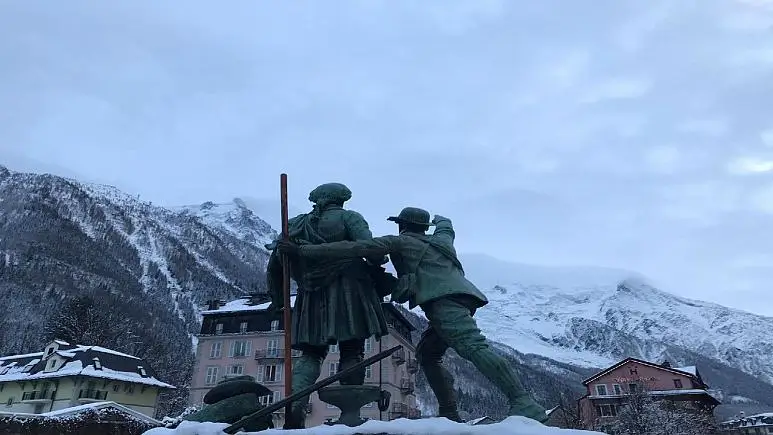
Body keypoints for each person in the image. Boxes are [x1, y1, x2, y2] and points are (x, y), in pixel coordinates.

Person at [276, 207, 551, 424]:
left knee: (473, 347)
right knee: (428, 355)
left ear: (402, 225)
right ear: (424, 227)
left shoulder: (401, 242)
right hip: (462, 297)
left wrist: (304, 251)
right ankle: (449, 413)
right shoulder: (442, 241)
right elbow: (447, 226)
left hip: (442, 301)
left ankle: (523, 401)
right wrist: (440, 220)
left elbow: (356, 249)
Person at [264, 183, 390, 429]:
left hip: (312, 294)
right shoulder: (350, 218)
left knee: (311, 354)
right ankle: (350, 415)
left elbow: (276, 263)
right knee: (352, 350)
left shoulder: (297, 224)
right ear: (340, 201)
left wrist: (278, 299)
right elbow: (371, 249)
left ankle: (295, 409)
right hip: (350, 289)